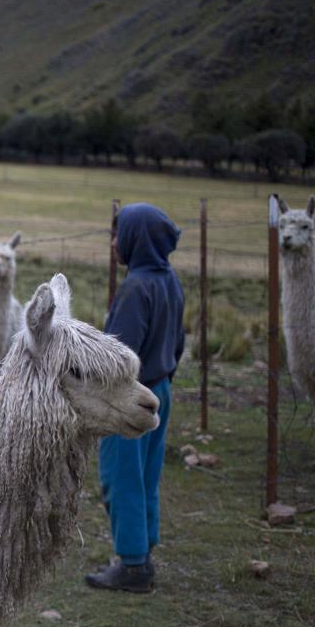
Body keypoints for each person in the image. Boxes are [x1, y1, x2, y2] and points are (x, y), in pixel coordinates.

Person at [86, 203, 184, 593]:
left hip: (128, 399)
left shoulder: (134, 288)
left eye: (117, 234)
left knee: (120, 477)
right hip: (160, 390)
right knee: (146, 476)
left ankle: (131, 566)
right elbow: (177, 343)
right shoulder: (169, 281)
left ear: (135, 238)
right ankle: (143, 551)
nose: (113, 242)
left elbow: (120, 358)